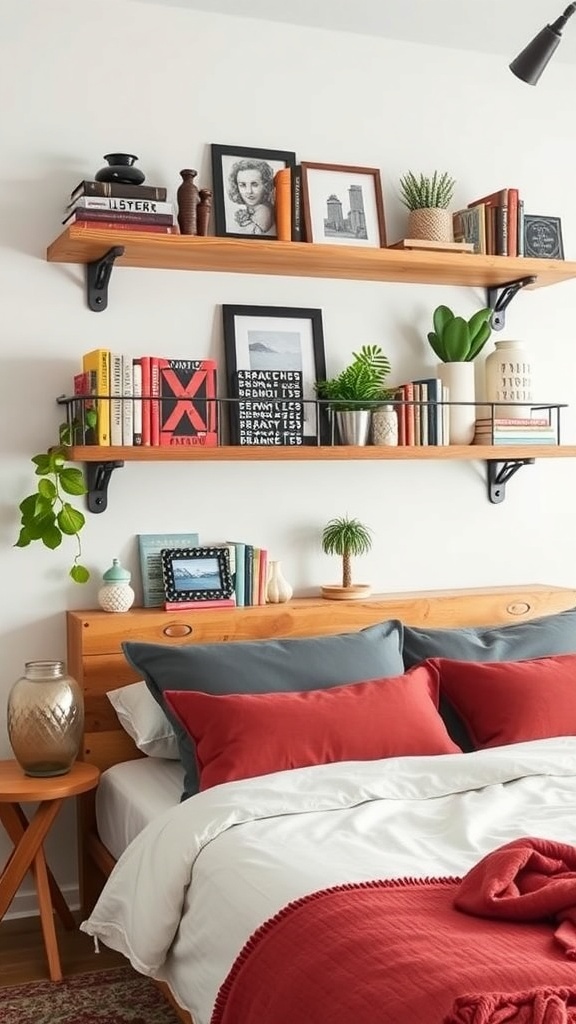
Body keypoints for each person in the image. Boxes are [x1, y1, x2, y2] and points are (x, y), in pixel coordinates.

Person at [227, 158, 275, 235]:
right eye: (242, 185)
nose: (249, 191)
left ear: (266, 185)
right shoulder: (252, 209)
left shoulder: (264, 211)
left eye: (254, 184)